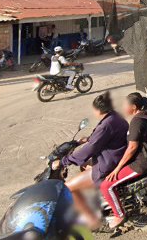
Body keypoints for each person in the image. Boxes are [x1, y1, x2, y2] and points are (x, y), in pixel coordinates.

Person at [59, 92, 129, 230]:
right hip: (115, 155)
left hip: (108, 163)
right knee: (83, 165)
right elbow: (100, 139)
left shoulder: (106, 124)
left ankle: (93, 221)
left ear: (98, 110)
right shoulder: (115, 117)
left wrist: (64, 161)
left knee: (69, 188)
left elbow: (90, 149)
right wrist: (88, 138)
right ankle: (98, 202)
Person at [102, 92, 147, 232]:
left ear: (133, 107)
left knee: (106, 186)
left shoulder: (136, 121)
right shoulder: (144, 116)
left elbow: (132, 147)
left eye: (125, 105)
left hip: (140, 163)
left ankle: (119, 215)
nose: (123, 107)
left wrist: (117, 168)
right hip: (145, 158)